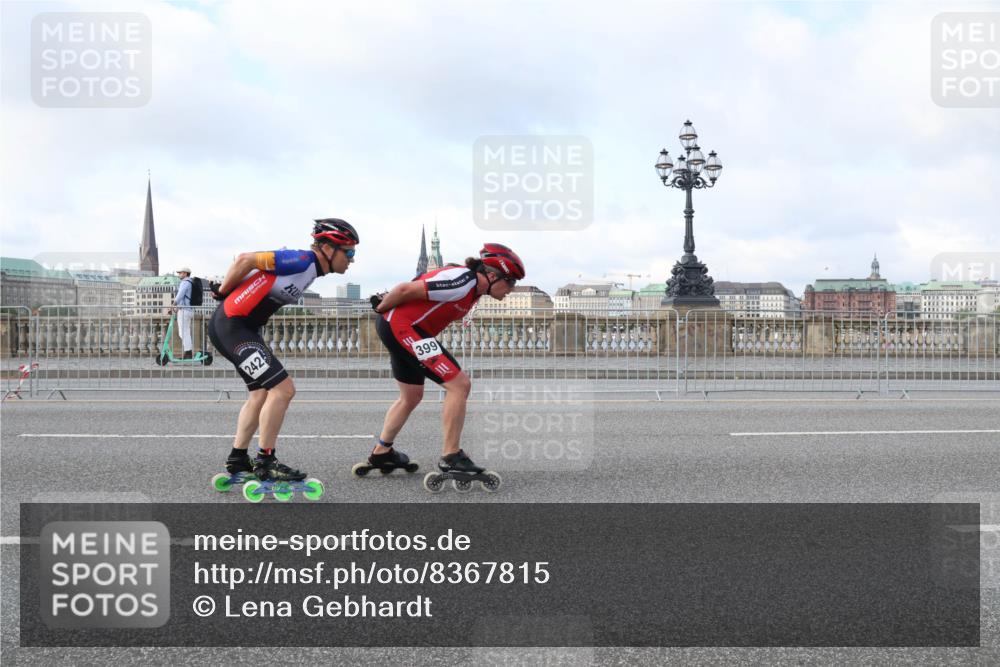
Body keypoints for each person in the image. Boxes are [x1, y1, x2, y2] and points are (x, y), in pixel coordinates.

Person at [208, 218, 359, 483]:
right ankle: (266, 461)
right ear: (328, 248)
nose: (352, 259)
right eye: (349, 252)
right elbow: (245, 259)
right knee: (283, 389)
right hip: (233, 327)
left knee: (260, 393)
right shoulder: (301, 260)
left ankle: (238, 458)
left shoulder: (311, 271)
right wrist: (223, 292)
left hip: (242, 329)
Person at [366, 242, 525, 482]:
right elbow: (403, 290)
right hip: (404, 328)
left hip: (405, 328)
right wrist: (381, 308)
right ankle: (451, 456)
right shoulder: (463, 281)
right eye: (511, 282)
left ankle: (382, 452)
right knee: (459, 385)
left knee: (411, 396)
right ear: (492, 276)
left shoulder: (474, 288)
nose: (511, 289)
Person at [173, 267, 195, 359]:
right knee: (185, 332)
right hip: (188, 310)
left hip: (185, 310)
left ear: (186, 273)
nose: (179, 275)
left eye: (180, 273)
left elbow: (180, 294)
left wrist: (174, 304)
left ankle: (188, 353)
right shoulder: (191, 282)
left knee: (183, 332)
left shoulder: (185, 282)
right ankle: (188, 352)